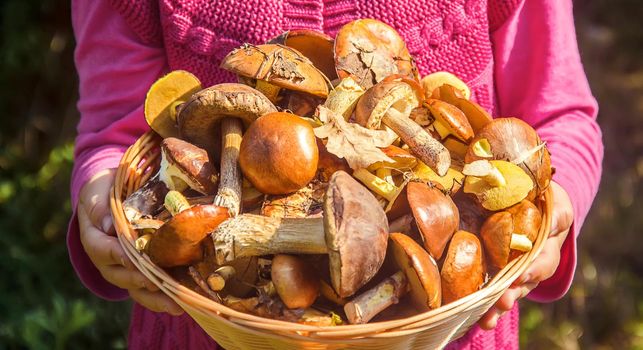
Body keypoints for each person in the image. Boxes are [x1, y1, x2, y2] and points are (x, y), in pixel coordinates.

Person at [68, 0, 603, 348]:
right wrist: (101, 192)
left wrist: (558, 203)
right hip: (205, 325)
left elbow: (561, 118)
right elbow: (118, 130)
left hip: (443, 328)